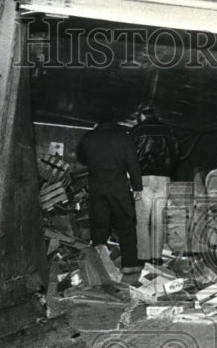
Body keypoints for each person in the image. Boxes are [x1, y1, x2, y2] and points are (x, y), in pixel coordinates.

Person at [76, 121, 143, 274]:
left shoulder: (88, 137)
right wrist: (137, 187)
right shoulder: (123, 137)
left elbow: (82, 158)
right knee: (126, 224)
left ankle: (98, 266)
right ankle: (129, 264)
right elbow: (133, 163)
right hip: (118, 187)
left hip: (96, 186)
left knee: (99, 225)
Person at [129, 106, 179, 265]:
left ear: (142, 116)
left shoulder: (137, 130)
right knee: (159, 221)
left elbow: (130, 156)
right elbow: (176, 154)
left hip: (144, 179)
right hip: (164, 179)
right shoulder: (168, 130)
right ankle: (156, 258)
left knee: (142, 220)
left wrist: (132, 179)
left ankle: (143, 258)